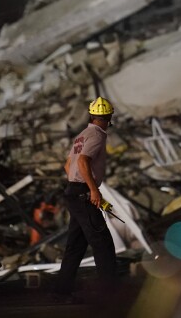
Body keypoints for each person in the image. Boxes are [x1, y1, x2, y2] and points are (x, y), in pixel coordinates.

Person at [52, 97, 118, 301]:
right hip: (82, 193)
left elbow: (68, 165)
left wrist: (77, 185)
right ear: (109, 117)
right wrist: (93, 190)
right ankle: (110, 293)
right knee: (102, 243)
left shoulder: (82, 135)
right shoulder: (97, 135)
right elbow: (82, 162)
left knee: (76, 245)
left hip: (73, 191)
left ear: (91, 115)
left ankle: (62, 290)